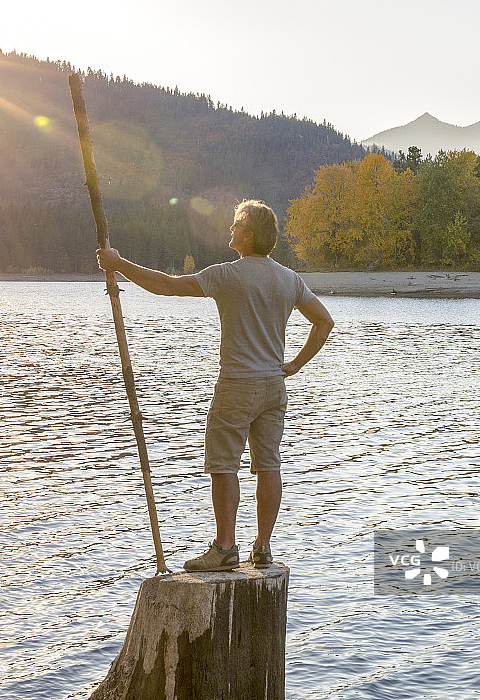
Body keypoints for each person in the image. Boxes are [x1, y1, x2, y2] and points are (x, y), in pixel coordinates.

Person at [96, 199, 334, 571]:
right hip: (274, 386)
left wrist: (118, 264)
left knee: (224, 465)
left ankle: (224, 548)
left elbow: (167, 286)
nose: (231, 230)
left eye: (236, 224)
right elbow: (324, 322)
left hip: (237, 384)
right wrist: (294, 366)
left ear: (250, 234)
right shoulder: (289, 278)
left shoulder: (229, 274)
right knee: (269, 465)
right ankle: (263, 547)